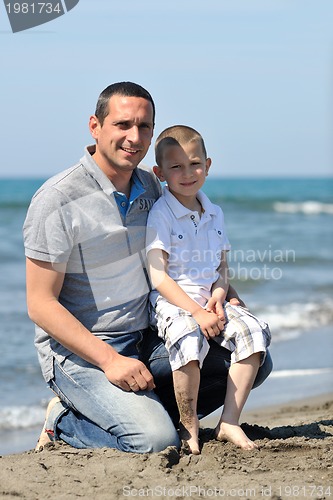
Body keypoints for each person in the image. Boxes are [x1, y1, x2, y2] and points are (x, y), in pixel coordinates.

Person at [23, 82, 272, 454]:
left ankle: (140, 412)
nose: (133, 137)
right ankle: (64, 421)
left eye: (144, 127)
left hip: (147, 338)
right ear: (95, 126)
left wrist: (228, 296)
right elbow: (40, 304)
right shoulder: (57, 199)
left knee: (253, 359)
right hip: (84, 353)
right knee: (154, 440)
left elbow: (194, 251)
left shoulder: (154, 188)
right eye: (123, 125)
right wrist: (110, 361)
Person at [146, 125, 271, 454]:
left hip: (210, 300)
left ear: (208, 165)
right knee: (188, 337)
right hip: (172, 302)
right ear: (160, 173)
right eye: (176, 167)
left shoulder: (214, 213)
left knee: (253, 331)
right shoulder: (162, 214)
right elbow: (159, 277)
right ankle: (189, 428)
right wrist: (197, 312)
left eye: (194, 164)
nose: (187, 174)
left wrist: (218, 293)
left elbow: (221, 266)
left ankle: (229, 421)